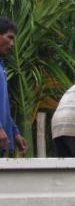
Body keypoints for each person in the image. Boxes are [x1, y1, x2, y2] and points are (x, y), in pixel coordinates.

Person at [0, 17, 27, 156]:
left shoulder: (2, 68)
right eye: (9, 38)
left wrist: (15, 133)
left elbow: (3, 108)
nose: (12, 44)